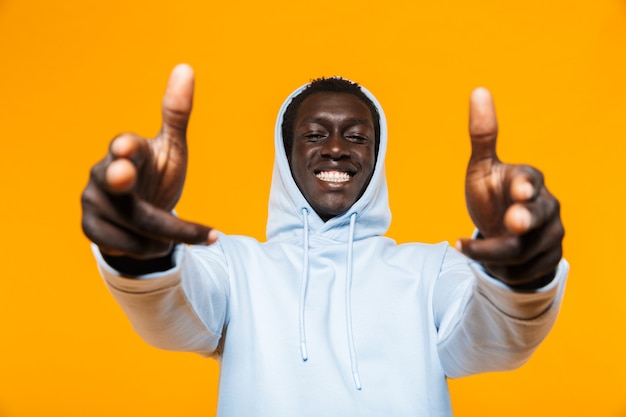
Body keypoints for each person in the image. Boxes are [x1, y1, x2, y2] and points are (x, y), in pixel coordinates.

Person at [81, 64, 568, 416]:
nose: (336, 149)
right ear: (287, 156)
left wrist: (520, 275)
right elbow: (169, 316)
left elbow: (495, 342)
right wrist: (141, 252)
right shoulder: (233, 265)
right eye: (315, 135)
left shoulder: (433, 270)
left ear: (376, 159)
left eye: (356, 137)